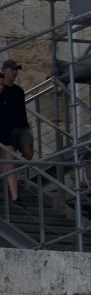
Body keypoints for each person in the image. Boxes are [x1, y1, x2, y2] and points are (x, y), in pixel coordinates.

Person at [0, 59, 34, 208]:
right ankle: (13, 196)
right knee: (7, 165)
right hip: (6, 131)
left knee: (16, 161)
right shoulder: (4, 92)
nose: (14, 73)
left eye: (16, 70)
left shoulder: (17, 90)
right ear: (5, 70)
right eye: (12, 70)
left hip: (11, 130)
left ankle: (15, 198)